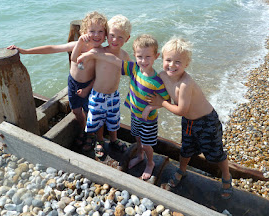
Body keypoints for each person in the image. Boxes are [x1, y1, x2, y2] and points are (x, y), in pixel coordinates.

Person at [146, 37, 232, 199]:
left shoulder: (185, 83)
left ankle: (227, 176)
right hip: (189, 122)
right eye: (168, 60)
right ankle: (182, 170)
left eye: (178, 62)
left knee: (215, 153)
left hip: (207, 122)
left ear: (186, 64)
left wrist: (161, 103)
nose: (172, 65)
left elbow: (180, 110)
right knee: (186, 149)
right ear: (162, 59)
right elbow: (157, 93)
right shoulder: (163, 76)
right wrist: (148, 105)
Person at [7, 11, 107, 149]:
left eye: (100, 31)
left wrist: (86, 89)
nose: (96, 35)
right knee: (76, 111)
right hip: (73, 83)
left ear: (106, 34)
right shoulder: (78, 45)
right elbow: (52, 48)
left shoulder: (101, 53)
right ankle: (83, 129)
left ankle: (91, 135)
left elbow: (100, 76)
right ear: (84, 32)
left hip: (88, 86)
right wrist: (25, 51)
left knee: (91, 111)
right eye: (92, 31)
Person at [78, 34, 170, 180]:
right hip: (135, 115)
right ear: (134, 56)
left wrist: (150, 108)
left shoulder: (157, 80)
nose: (143, 61)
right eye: (140, 57)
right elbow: (114, 60)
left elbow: (166, 99)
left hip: (148, 119)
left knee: (147, 145)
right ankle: (139, 155)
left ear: (156, 56)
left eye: (148, 57)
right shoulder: (134, 69)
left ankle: (150, 163)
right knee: (137, 137)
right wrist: (92, 54)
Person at [72, 14, 132, 158]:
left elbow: (132, 72)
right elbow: (75, 59)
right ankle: (99, 141)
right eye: (111, 35)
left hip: (114, 95)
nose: (115, 40)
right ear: (107, 34)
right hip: (97, 94)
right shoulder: (98, 51)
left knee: (113, 120)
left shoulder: (124, 55)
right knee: (97, 120)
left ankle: (113, 140)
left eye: (120, 37)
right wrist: (80, 43)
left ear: (127, 39)